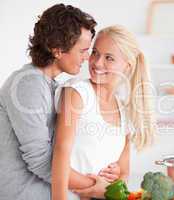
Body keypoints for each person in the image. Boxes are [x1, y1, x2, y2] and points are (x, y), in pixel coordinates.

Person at [0, 4, 118, 200]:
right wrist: (97, 186)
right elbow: (41, 161)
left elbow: (67, 148)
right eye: (83, 50)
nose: (87, 57)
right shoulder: (28, 84)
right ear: (57, 50)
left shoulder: (53, 85)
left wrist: (106, 173)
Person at [51, 25, 156, 200]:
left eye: (109, 58)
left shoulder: (125, 111)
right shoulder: (77, 93)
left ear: (127, 66)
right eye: (95, 53)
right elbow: (59, 157)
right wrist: (98, 188)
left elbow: (123, 173)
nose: (97, 62)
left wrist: (113, 182)